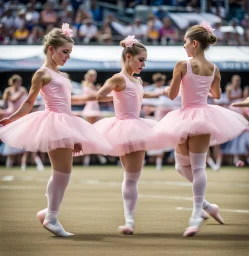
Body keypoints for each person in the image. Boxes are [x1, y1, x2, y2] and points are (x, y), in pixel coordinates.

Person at [0, 23, 112, 237]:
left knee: (63, 172)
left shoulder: (63, 75)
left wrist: (74, 135)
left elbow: (68, 103)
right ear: (51, 49)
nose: (68, 56)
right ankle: (51, 216)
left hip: (66, 122)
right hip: (52, 122)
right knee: (62, 173)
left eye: (70, 52)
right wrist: (11, 119)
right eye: (65, 51)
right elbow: (28, 102)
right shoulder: (41, 73)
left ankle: (48, 213)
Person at [152, 21, 248, 237]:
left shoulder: (182, 65)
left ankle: (196, 214)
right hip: (202, 115)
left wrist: (167, 89)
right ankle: (206, 206)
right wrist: (213, 82)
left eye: (185, 42)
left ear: (194, 43)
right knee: (185, 166)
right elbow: (216, 95)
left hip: (187, 115)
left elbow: (173, 94)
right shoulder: (214, 68)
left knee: (195, 168)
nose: (183, 46)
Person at [80, 35, 162, 235]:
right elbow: (100, 95)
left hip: (136, 125)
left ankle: (129, 219)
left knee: (132, 175)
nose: (144, 63)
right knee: (132, 176)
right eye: (141, 59)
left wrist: (160, 92)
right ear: (128, 57)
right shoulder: (119, 78)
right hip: (124, 126)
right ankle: (129, 220)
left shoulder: (137, 79)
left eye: (145, 60)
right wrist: (114, 93)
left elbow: (138, 94)